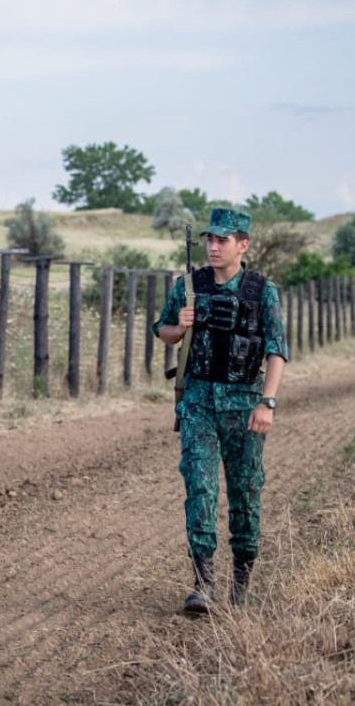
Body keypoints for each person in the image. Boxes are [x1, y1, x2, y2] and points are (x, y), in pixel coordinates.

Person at [153, 208, 288, 614]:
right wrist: (180, 325)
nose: (213, 246)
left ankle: (242, 582)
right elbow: (163, 332)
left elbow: (277, 349)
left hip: (244, 406)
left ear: (242, 245)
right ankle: (203, 583)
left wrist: (267, 402)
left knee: (246, 494)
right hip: (197, 403)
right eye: (209, 239)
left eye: (222, 240)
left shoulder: (261, 291)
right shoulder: (188, 286)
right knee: (200, 489)